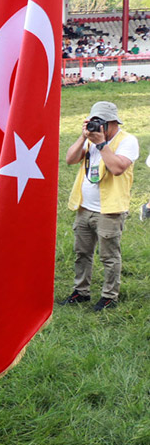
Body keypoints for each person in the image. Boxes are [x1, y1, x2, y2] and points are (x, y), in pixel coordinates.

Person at [62, 101, 138, 311]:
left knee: (109, 257)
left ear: (112, 123)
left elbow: (117, 168)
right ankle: (81, 292)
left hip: (109, 211)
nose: (97, 126)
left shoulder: (127, 141)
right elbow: (69, 159)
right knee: (82, 253)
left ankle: (109, 296)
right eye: (93, 122)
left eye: (100, 122)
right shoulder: (90, 139)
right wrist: (84, 136)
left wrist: (102, 144)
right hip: (84, 207)